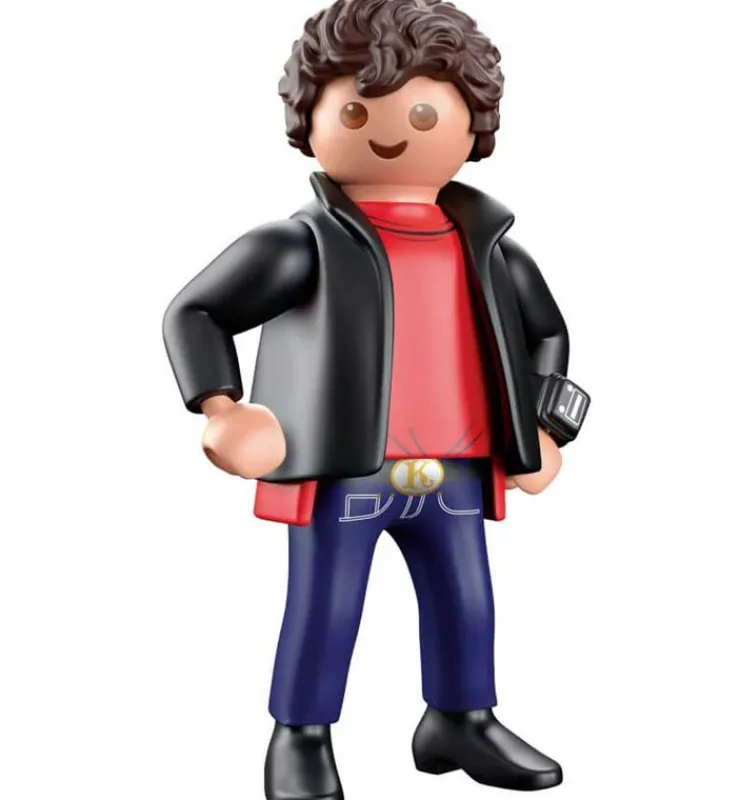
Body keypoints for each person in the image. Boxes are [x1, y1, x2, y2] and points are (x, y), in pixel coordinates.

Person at [163, 1, 589, 797]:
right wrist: (223, 408)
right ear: (311, 120)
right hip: (344, 468)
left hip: (459, 469)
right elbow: (197, 311)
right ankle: (301, 736)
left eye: (424, 112)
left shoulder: (490, 248)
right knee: (325, 608)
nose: (392, 132)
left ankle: (461, 718)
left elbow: (548, 334)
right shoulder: (303, 244)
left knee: (467, 602)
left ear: (471, 122)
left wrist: (545, 426)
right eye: (356, 111)